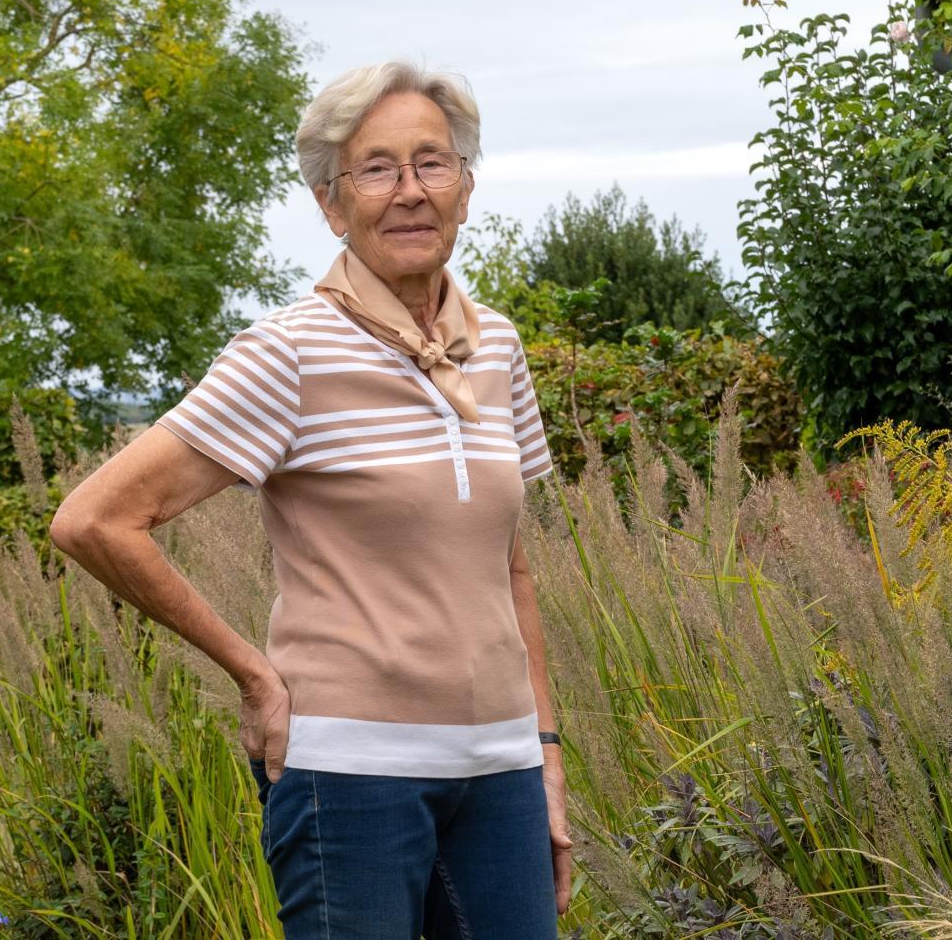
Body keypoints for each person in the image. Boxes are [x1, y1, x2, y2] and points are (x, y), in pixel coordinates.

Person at [49, 60, 570, 938]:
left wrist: (545, 753)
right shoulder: (288, 353)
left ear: (467, 188)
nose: (410, 191)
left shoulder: (499, 347)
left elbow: (508, 564)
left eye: (431, 163)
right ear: (333, 204)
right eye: (377, 169)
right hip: (348, 778)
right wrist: (254, 675)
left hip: (502, 776)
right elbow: (94, 520)